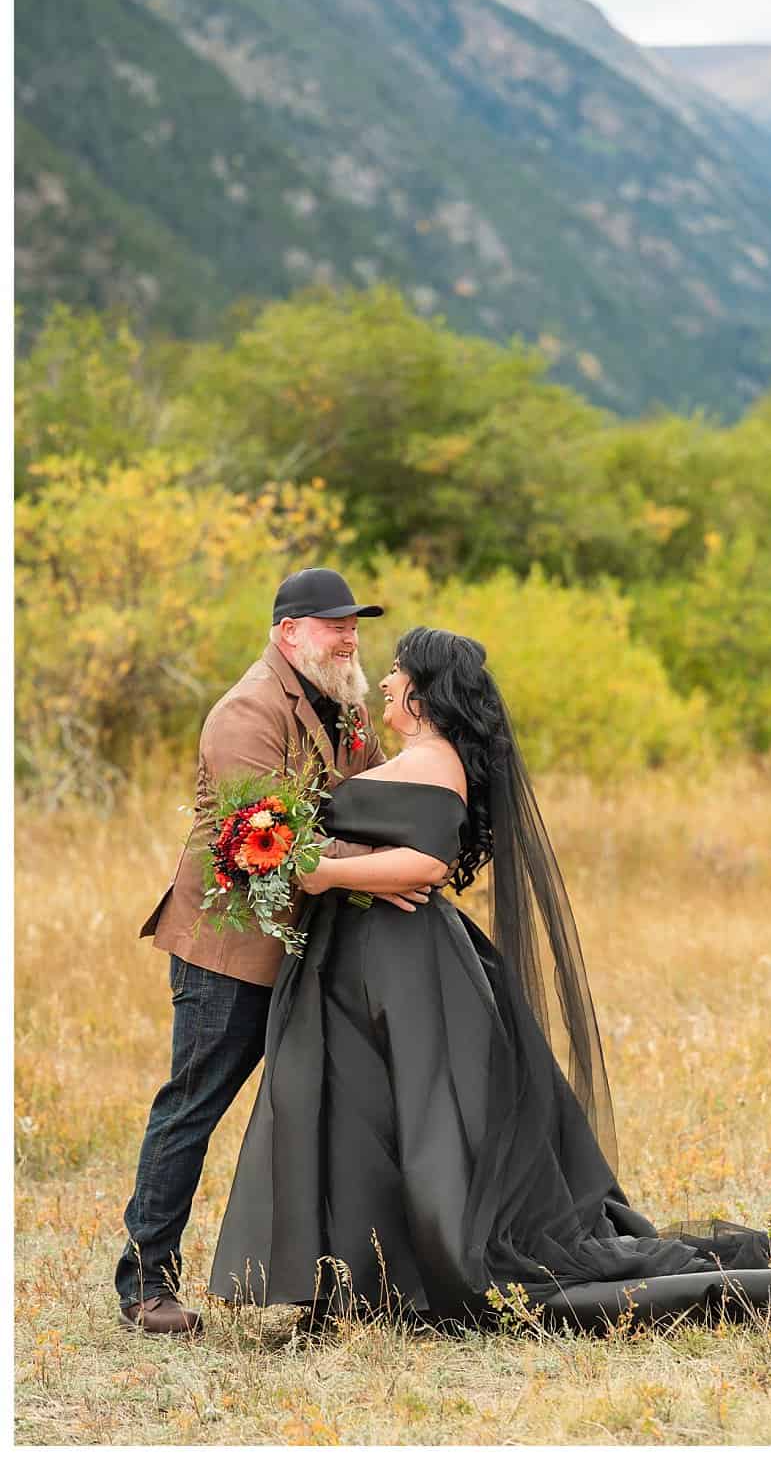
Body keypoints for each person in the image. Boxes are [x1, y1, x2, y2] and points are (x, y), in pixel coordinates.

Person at [207, 627, 771, 1328]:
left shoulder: (436, 761)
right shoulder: (411, 755)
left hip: (406, 964)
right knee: (373, 1114)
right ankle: (369, 1276)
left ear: (424, 695)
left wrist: (320, 870)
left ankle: (411, 1269)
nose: (389, 681)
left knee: (419, 1115)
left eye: (400, 673)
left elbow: (428, 864)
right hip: (371, 961)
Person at [118, 568, 446, 1336]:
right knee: (192, 1109)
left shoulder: (349, 704)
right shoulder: (244, 714)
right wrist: (377, 867)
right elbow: (270, 842)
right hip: (230, 948)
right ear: (288, 633)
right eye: (334, 624)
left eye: (355, 623)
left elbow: (374, 797)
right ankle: (144, 1289)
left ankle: (342, 1284)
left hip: (319, 942)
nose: (350, 635)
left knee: (327, 1110)